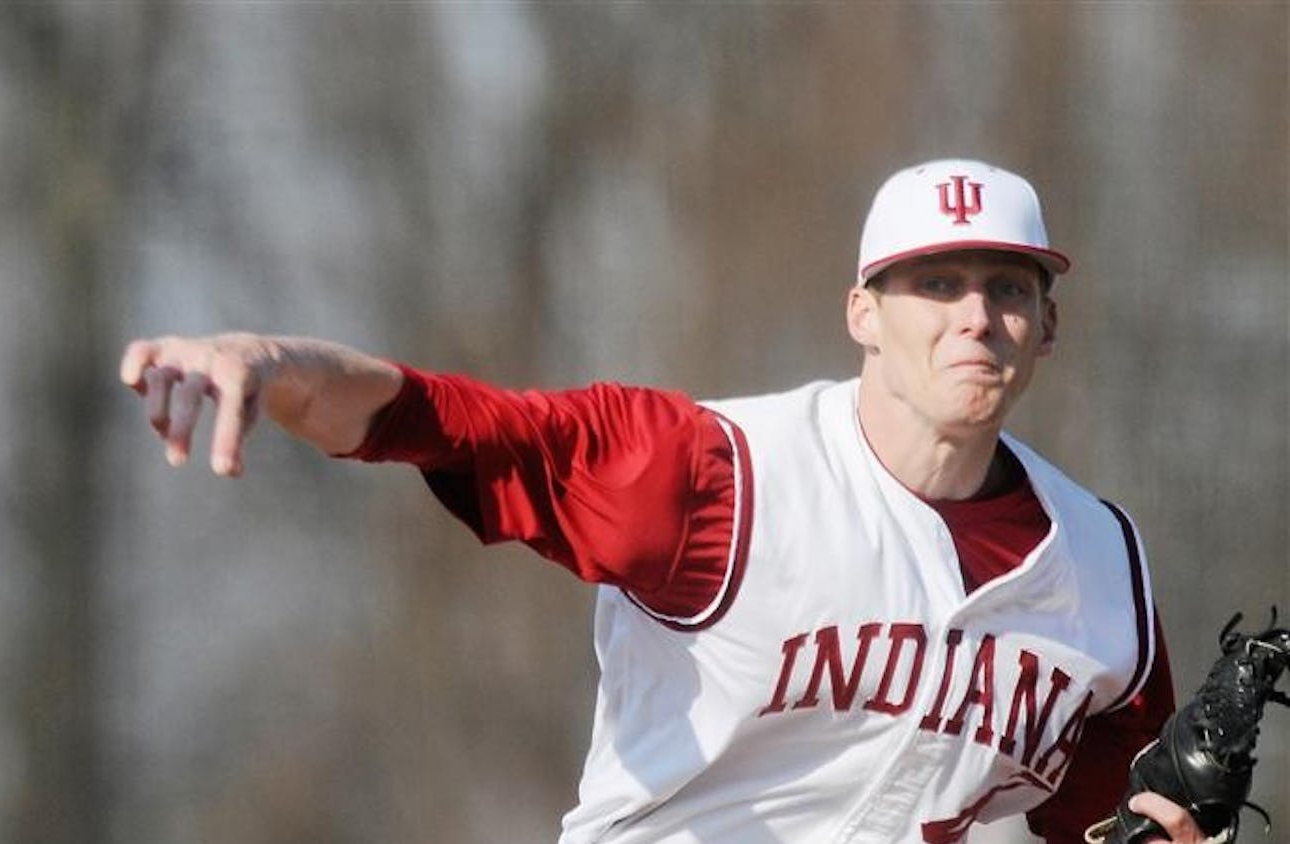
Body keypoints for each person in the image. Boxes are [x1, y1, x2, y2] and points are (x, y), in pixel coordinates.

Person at [119, 159, 1208, 843]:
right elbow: (445, 419)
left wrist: (1163, 826)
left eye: (1008, 288)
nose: (976, 316)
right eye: (936, 283)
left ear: (1047, 327)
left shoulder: (1101, 567)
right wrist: (269, 359)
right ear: (863, 314)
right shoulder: (712, 476)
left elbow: (1107, 813)